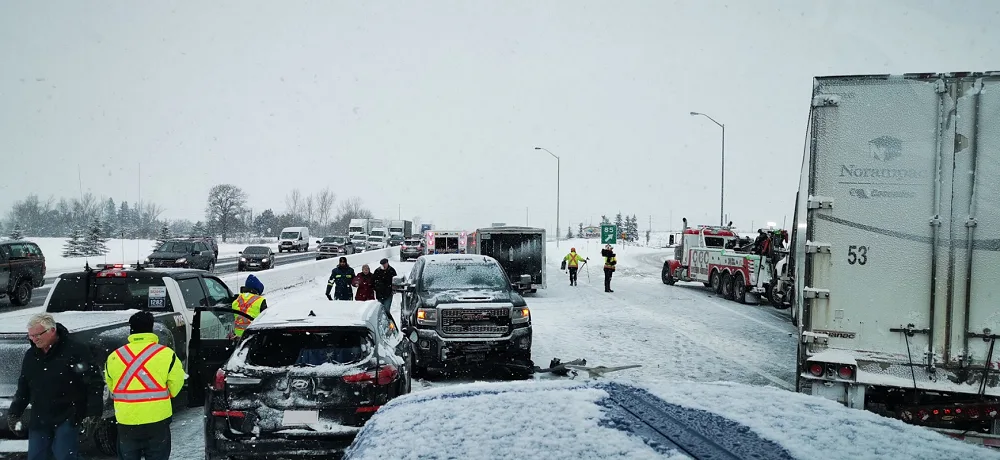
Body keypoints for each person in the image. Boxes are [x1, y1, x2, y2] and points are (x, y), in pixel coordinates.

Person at [9, 313, 101, 460]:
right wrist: (14, 412)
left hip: (69, 413)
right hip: (41, 415)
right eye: (31, 336)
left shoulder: (75, 350)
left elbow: (93, 383)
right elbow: (23, 387)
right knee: (36, 456)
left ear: (52, 331)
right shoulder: (31, 356)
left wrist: (93, 412)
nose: (34, 339)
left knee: (64, 455)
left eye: (37, 335)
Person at [104, 311, 184, 460]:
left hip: (126, 421)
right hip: (157, 420)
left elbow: (112, 385)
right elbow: (176, 383)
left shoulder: (114, 356)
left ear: (131, 329)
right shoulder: (166, 354)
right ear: (151, 328)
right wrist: (163, 395)